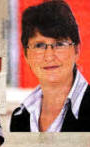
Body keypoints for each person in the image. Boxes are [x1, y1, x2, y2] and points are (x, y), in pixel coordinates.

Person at [10, 0, 90, 132]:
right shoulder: (20, 118)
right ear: (26, 55)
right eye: (39, 46)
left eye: (59, 44)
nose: (49, 56)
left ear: (77, 50)